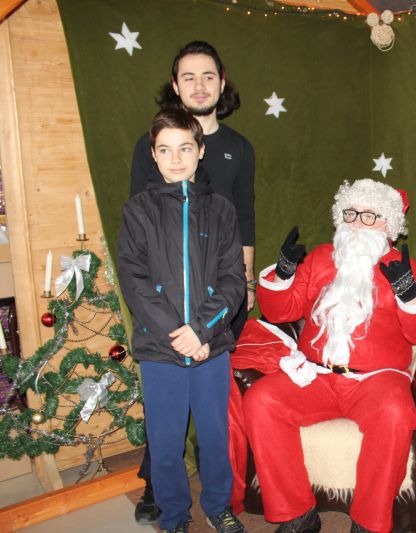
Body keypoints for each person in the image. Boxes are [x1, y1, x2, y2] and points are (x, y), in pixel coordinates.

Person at [243, 179, 416, 533]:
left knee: (395, 413)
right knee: (262, 400)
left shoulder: (401, 268)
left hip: (377, 380)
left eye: (369, 216)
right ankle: (297, 514)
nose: (357, 224)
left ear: (389, 225)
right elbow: (279, 312)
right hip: (316, 375)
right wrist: (284, 274)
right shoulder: (321, 258)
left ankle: (368, 522)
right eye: (351, 214)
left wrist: (409, 295)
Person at [130, 40, 256, 524]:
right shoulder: (139, 211)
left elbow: (232, 274)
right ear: (154, 154)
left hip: (211, 339)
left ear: (200, 151)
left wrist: (203, 330)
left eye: (185, 148)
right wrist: (175, 331)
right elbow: (135, 276)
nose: (176, 158)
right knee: (164, 440)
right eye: (165, 150)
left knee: (215, 436)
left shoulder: (221, 208)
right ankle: (171, 511)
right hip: (161, 343)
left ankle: (219, 507)